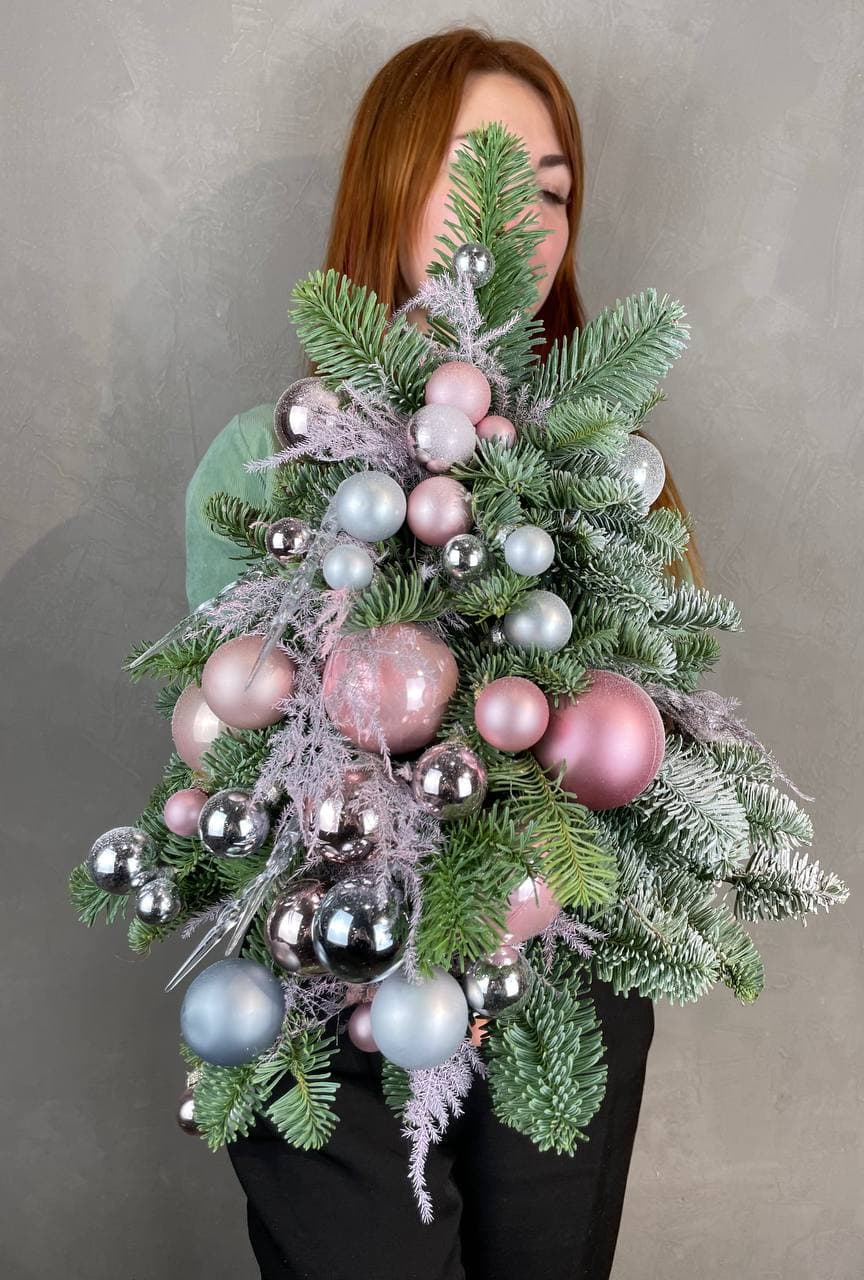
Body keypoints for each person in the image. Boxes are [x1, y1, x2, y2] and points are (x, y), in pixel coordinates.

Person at [184, 25, 706, 1280]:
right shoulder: (262, 458)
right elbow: (230, 755)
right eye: (479, 171)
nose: (519, 215)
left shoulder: (616, 469)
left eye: (552, 190)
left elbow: (667, 758)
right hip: (331, 986)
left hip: (557, 987)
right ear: (392, 184)